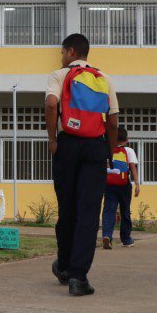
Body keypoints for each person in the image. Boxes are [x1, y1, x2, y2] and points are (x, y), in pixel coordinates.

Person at [46, 33, 120, 296]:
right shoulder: (105, 79)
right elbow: (112, 121)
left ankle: (64, 266)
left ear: (70, 51)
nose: (61, 57)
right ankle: (79, 278)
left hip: (68, 145)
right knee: (89, 212)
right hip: (95, 147)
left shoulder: (60, 75)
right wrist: (109, 151)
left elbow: (51, 104)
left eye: (62, 52)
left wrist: (53, 140)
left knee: (67, 208)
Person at [101, 127, 140, 249]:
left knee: (109, 210)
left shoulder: (108, 149)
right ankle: (126, 239)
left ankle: (107, 235)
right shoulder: (128, 150)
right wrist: (137, 183)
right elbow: (133, 167)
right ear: (126, 140)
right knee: (125, 211)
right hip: (124, 185)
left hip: (109, 184)